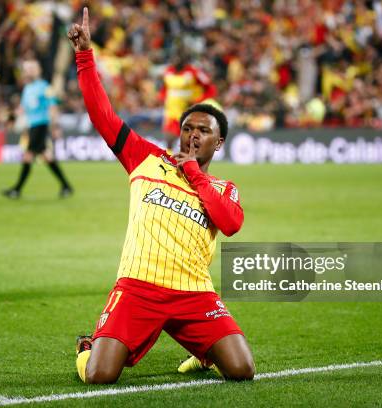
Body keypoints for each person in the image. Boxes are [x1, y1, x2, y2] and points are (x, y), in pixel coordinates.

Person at [68, 8, 254, 384]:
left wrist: (194, 175)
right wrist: (86, 57)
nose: (193, 135)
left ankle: (203, 355)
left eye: (203, 130)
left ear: (218, 142)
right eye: (188, 128)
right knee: (99, 375)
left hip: (195, 294)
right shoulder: (146, 159)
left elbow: (231, 224)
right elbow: (104, 117)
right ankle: (89, 347)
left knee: (242, 371)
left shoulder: (223, 188)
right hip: (139, 287)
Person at [2, 59, 73, 199]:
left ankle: (17, 190)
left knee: (28, 156)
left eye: (31, 68)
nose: (28, 71)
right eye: (26, 69)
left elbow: (53, 107)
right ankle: (66, 186)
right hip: (33, 126)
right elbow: (22, 109)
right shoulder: (27, 88)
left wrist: (55, 126)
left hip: (40, 125)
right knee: (47, 156)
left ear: (38, 70)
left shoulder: (45, 87)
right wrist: (10, 118)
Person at [160, 45, 217, 151]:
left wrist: (197, 102)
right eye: (173, 58)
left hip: (188, 112)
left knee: (189, 142)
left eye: (178, 58)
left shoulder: (193, 72)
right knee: (169, 140)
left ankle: (191, 163)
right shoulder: (168, 71)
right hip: (171, 112)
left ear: (184, 59)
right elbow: (164, 89)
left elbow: (211, 88)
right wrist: (162, 98)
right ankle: (169, 164)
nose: (175, 61)